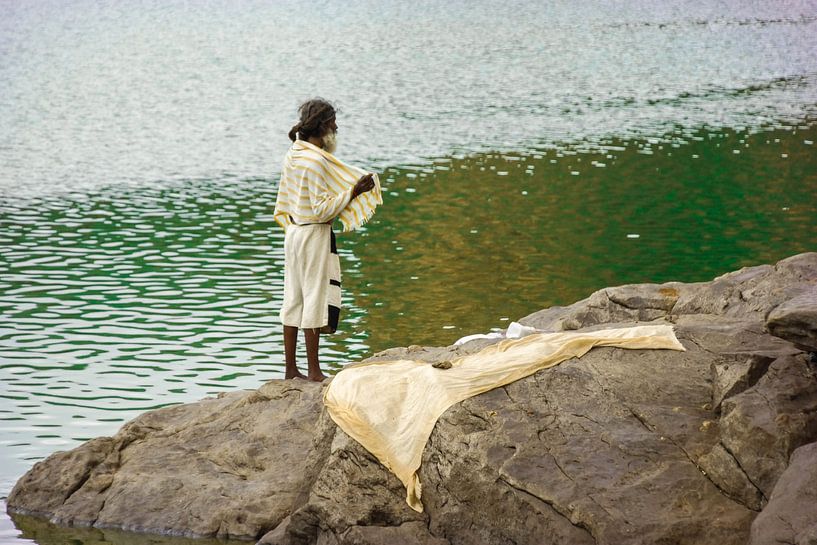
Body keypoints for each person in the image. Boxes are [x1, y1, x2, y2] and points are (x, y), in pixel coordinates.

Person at [273, 98, 379, 381]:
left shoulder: (293, 153)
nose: (336, 128)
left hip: (293, 233)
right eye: (333, 123)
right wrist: (354, 192)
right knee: (313, 298)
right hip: (312, 234)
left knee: (293, 298)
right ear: (322, 126)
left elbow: (286, 198)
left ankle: (290, 370)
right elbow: (321, 210)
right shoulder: (316, 160)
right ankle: (314, 371)